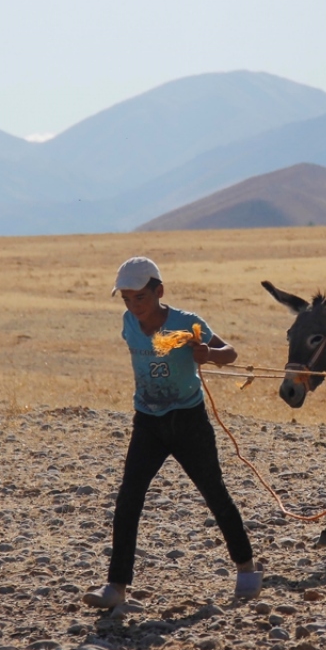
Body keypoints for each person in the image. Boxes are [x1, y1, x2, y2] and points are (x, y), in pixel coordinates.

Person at [83, 256, 261, 610]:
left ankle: (247, 569)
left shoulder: (187, 323)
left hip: (188, 421)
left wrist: (208, 353)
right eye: (127, 300)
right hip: (147, 422)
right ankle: (116, 586)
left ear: (159, 291)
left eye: (141, 299)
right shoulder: (127, 324)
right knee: (129, 497)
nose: (134, 308)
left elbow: (231, 353)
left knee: (214, 492)